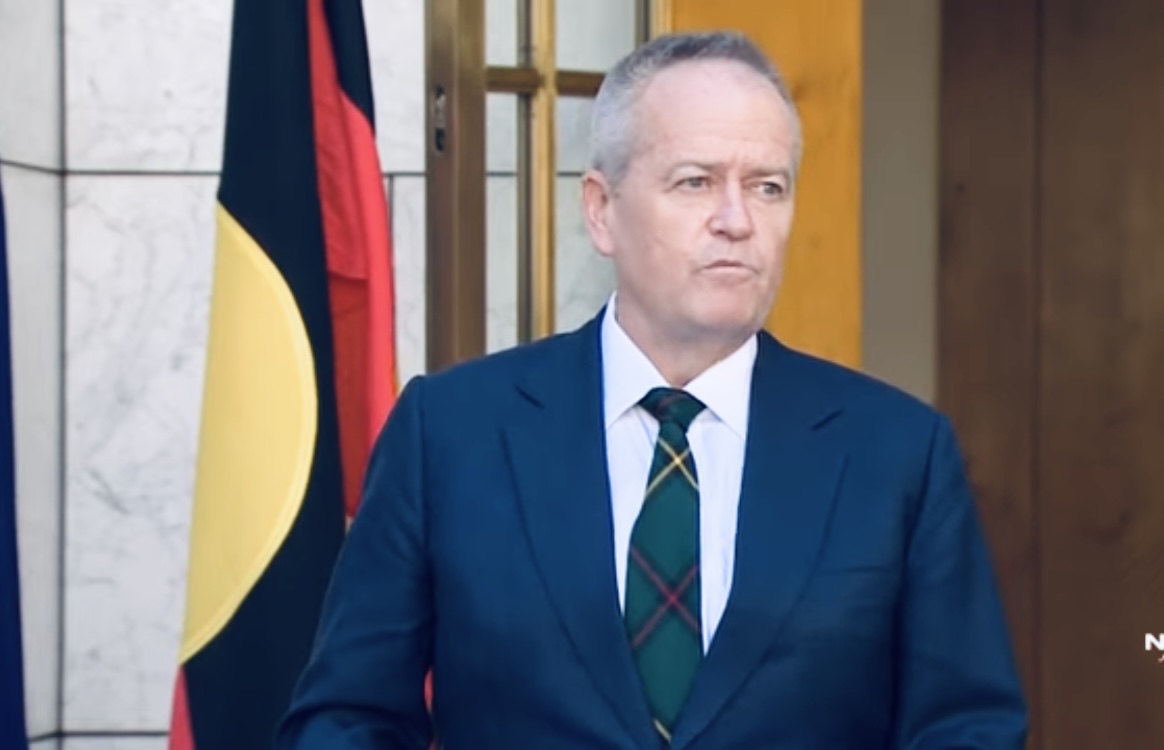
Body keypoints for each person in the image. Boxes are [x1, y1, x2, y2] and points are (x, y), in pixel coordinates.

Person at [275, 31, 1027, 749]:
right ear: (601, 210)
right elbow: (348, 717)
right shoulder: (449, 435)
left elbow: (968, 729)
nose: (736, 221)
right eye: (695, 182)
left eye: (767, 187)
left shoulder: (897, 453)